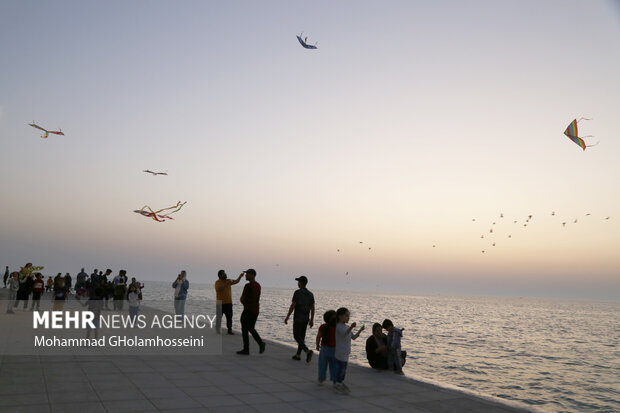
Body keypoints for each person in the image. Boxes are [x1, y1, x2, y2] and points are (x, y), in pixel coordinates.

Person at [334, 307, 364, 394]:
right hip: (339, 352)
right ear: (340, 316)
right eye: (346, 316)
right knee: (341, 368)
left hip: (346, 352)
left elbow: (353, 337)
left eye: (348, 316)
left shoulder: (346, 327)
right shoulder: (338, 326)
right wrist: (351, 327)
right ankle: (338, 383)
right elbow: (344, 333)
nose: (348, 318)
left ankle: (339, 382)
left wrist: (360, 331)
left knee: (343, 368)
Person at [284, 275, 315, 362]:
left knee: (296, 336)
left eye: (298, 282)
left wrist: (287, 316)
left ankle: (307, 351)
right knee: (302, 336)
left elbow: (293, 305)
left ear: (301, 283)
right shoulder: (310, 294)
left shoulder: (297, 292)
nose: (298, 283)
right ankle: (298, 355)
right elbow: (313, 308)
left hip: (298, 318)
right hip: (306, 318)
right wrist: (312, 320)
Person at [237, 269, 266, 355]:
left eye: (247, 274)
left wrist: (243, 301)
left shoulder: (248, 286)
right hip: (255, 310)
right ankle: (260, 343)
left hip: (248, 310)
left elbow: (243, 298)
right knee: (251, 328)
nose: (245, 276)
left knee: (245, 328)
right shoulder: (258, 285)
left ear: (252, 275)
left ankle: (247, 349)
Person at [214, 270, 243, 334]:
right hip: (220, 303)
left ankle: (229, 330)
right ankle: (218, 329)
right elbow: (218, 289)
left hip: (228, 302)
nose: (225, 274)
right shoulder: (217, 282)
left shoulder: (229, 280)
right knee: (219, 317)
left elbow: (236, 281)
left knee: (229, 317)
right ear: (220, 275)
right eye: (223, 274)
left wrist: (240, 276)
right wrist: (226, 284)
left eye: (225, 273)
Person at [316, 310, 337, 385]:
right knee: (334, 366)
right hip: (335, 349)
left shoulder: (323, 326)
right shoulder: (337, 328)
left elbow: (318, 337)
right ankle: (335, 380)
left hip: (324, 349)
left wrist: (317, 345)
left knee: (322, 365)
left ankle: (321, 380)